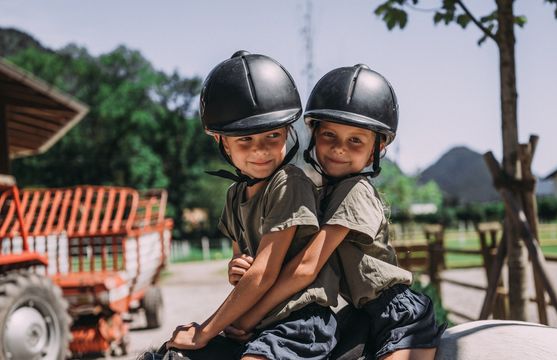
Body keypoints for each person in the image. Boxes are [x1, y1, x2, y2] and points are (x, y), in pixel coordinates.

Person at [232, 64, 445, 360]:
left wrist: (248, 316)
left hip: (397, 316)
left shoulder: (355, 190)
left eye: (355, 140)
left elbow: (307, 266)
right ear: (314, 133)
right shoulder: (317, 195)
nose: (339, 148)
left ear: (378, 147)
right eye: (329, 135)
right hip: (357, 315)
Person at [155, 51, 340, 360]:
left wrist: (205, 331)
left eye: (272, 135)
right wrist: (237, 269)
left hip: (299, 322)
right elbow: (244, 269)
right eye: (245, 141)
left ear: (287, 132)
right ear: (220, 140)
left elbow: (263, 274)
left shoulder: (288, 182)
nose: (261, 151)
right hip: (260, 317)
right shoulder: (234, 195)